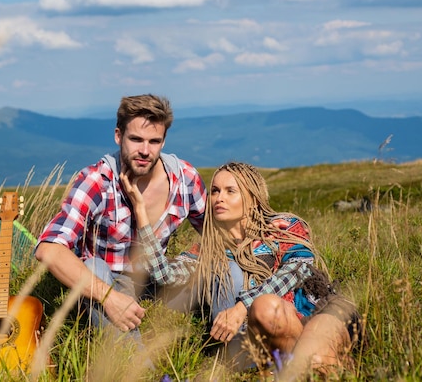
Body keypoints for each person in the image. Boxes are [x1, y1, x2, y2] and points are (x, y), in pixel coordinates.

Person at [122, 161, 361, 377]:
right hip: (267, 334)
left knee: (314, 358)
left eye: (230, 191)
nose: (218, 198)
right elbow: (164, 275)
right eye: (214, 191)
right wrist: (142, 214)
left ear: (252, 198)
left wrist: (241, 307)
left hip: (316, 311)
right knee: (283, 334)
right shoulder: (207, 250)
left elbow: (299, 268)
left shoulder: (283, 226)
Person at [34, 94, 207, 337]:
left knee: (226, 274)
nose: (145, 151)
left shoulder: (185, 179)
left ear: (164, 141)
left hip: (160, 278)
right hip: (110, 280)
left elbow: (217, 235)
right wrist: (108, 297)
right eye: (136, 139)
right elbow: (49, 249)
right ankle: (138, 369)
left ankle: (242, 353)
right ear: (118, 136)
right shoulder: (97, 181)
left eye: (154, 141)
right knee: (94, 267)